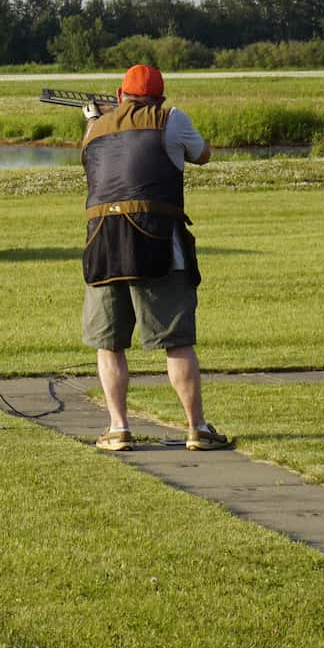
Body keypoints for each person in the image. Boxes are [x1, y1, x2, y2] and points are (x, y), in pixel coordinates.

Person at [77, 64, 229, 451]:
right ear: (160, 97)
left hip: (103, 244)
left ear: (120, 94)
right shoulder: (171, 118)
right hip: (158, 241)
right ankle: (197, 429)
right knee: (176, 342)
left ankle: (118, 428)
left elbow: (90, 161)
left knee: (109, 344)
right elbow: (203, 155)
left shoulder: (95, 128)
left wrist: (95, 119)